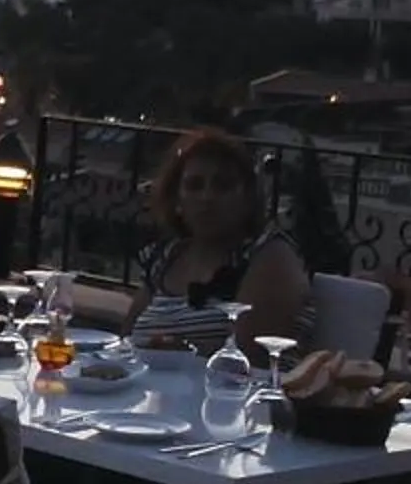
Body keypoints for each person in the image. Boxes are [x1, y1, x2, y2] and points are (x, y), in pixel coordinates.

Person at [124, 129, 315, 358]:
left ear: (246, 197)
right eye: (195, 185)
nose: (207, 197)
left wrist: (182, 354)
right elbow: (125, 342)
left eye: (223, 186)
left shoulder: (269, 255)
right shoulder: (165, 258)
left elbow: (252, 359)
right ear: (177, 201)